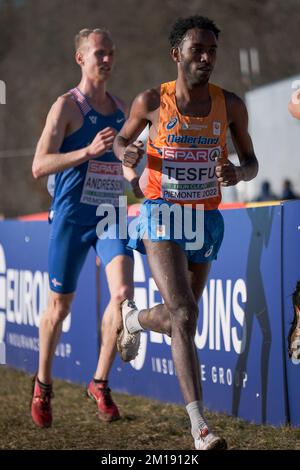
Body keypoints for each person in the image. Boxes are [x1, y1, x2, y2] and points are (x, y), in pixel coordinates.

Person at [113, 15, 258, 450]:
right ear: (177, 54)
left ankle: (133, 318)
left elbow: (252, 163)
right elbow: (121, 142)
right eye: (198, 50)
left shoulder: (229, 104)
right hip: (160, 212)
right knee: (182, 313)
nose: (206, 58)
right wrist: (130, 150)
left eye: (212, 50)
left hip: (206, 216)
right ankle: (200, 427)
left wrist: (237, 172)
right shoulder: (151, 102)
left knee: (185, 318)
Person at [31, 28, 141, 427]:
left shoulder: (121, 108)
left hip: (110, 215)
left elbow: (124, 162)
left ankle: (99, 381)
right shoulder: (65, 107)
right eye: (99, 53)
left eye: (111, 53)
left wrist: (132, 171)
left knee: (123, 294)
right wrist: (86, 151)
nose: (107, 59)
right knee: (59, 307)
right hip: (71, 218)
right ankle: (43, 384)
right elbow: (38, 165)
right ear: (81, 58)